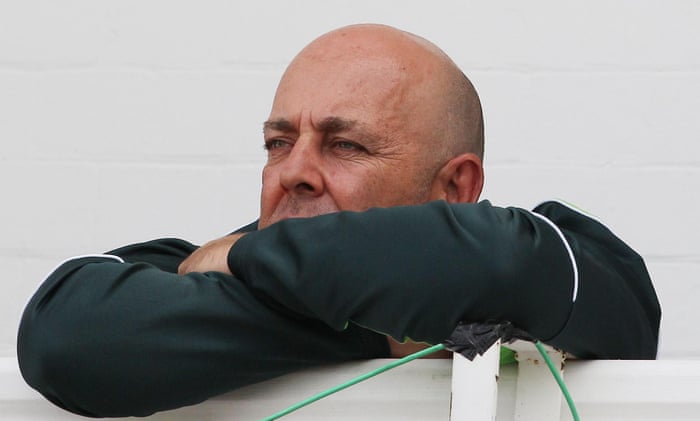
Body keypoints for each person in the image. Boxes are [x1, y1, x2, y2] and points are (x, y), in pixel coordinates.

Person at [17, 24, 661, 418]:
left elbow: (504, 265)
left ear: (456, 188)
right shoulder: (178, 271)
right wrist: (383, 327)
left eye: (345, 145)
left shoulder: (557, 254)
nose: (292, 171)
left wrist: (244, 262)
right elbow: (67, 338)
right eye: (277, 142)